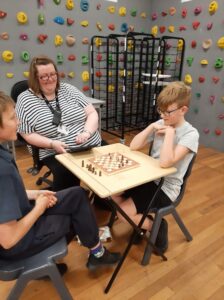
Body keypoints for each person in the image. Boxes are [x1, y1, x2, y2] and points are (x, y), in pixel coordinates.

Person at [0, 91, 120, 271]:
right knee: (78, 215)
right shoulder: (3, 171)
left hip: (22, 215)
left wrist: (36, 194)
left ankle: (96, 253)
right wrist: (39, 207)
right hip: (18, 245)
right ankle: (94, 255)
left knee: (78, 194)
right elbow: (8, 240)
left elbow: (7, 196)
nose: (18, 122)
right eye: (12, 118)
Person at [111, 81, 199, 253]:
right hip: (148, 178)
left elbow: (166, 163)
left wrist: (170, 133)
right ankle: (139, 222)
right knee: (112, 194)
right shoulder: (162, 122)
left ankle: (155, 226)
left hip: (166, 187)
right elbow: (134, 146)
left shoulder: (190, 134)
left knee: (122, 213)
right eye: (161, 111)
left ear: (183, 110)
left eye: (168, 112)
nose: (164, 116)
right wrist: (151, 126)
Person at [16, 55, 101, 191]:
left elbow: (92, 113)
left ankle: (102, 201)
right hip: (54, 151)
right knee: (67, 177)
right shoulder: (25, 99)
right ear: (34, 78)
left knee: (107, 170)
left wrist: (87, 132)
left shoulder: (69, 89)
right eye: (44, 76)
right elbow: (27, 134)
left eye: (52, 74)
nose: (50, 79)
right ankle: (66, 201)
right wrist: (52, 144)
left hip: (90, 143)